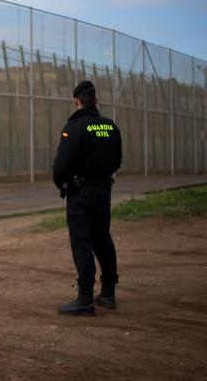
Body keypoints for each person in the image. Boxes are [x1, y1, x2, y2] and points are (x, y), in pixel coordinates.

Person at [52, 80, 122, 316]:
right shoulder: (111, 127)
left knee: (81, 242)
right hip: (103, 190)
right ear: (96, 101)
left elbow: (60, 166)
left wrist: (63, 183)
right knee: (102, 239)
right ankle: (109, 292)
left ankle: (85, 299)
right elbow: (117, 161)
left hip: (80, 194)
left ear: (77, 102)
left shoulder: (75, 128)